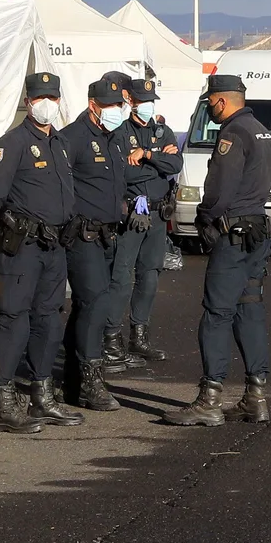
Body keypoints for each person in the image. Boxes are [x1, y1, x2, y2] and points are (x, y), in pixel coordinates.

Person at [166, 74, 271, 428]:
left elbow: (219, 191)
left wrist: (204, 218)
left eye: (210, 102)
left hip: (233, 234)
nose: (210, 108)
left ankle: (210, 399)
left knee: (217, 314)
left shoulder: (232, 135)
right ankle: (255, 396)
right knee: (250, 308)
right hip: (257, 231)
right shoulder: (261, 131)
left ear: (221, 101)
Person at [0, 72, 82, 434]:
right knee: (12, 319)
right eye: (41, 97)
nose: (48, 103)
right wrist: (0, 230)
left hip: (54, 247)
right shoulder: (13, 143)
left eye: (53, 96)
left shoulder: (60, 144)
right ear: (28, 101)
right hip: (22, 248)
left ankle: (42, 396)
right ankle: (4, 403)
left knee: (48, 320)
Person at [60, 75, 132, 411]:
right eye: (111, 105)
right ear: (94, 106)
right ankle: (90, 380)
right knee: (95, 303)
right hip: (82, 235)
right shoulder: (73, 138)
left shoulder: (115, 138)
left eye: (120, 104)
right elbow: (58, 186)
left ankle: (72, 378)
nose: (118, 110)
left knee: (89, 307)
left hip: (108, 234)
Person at [102, 76, 183, 367]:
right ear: (130, 102)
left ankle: (140, 336)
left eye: (150, 101)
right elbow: (124, 173)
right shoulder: (120, 133)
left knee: (149, 275)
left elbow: (176, 165)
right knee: (121, 276)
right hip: (132, 213)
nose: (147, 106)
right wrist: (158, 161)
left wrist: (148, 155)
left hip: (159, 213)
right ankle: (111, 337)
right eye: (141, 101)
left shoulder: (163, 130)